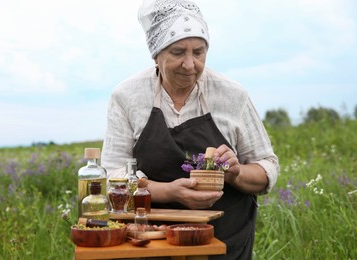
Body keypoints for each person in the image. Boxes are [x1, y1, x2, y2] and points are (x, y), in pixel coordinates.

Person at [101, 0, 279, 259]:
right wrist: (167, 191)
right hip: (151, 239)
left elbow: (266, 168)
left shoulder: (232, 95)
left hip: (225, 240)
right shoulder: (127, 96)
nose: (190, 64)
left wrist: (236, 174)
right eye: (177, 52)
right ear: (156, 54)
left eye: (198, 52)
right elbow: (112, 175)